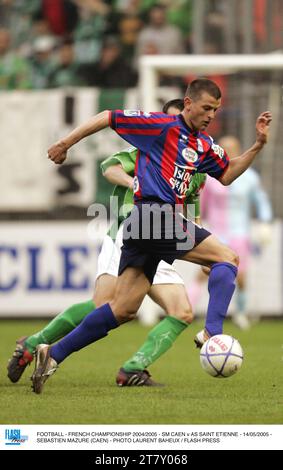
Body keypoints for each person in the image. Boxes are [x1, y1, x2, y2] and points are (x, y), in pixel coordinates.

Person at [31, 78, 271, 394]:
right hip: (154, 216)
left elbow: (226, 175)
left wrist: (256, 146)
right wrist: (65, 143)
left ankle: (52, 353)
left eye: (215, 109)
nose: (210, 115)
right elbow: (108, 116)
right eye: (205, 108)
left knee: (123, 308)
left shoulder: (202, 145)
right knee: (228, 258)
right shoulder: (161, 126)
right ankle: (213, 333)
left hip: (143, 226)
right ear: (188, 104)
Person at [7, 99, 206, 387]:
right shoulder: (146, 151)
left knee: (182, 312)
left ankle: (133, 368)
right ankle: (35, 344)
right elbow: (109, 167)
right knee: (105, 304)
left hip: (164, 241)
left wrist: (205, 255)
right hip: (131, 233)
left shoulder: (194, 170)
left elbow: (192, 216)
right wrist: (133, 183)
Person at [188, 135, 272, 330]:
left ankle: (240, 313)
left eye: (231, 148)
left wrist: (265, 221)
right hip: (216, 232)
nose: (227, 152)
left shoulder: (250, 177)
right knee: (204, 273)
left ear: (239, 149)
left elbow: (260, 200)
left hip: (239, 233)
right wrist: (196, 225)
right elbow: (200, 202)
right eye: (223, 148)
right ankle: (188, 310)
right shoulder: (209, 176)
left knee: (241, 276)